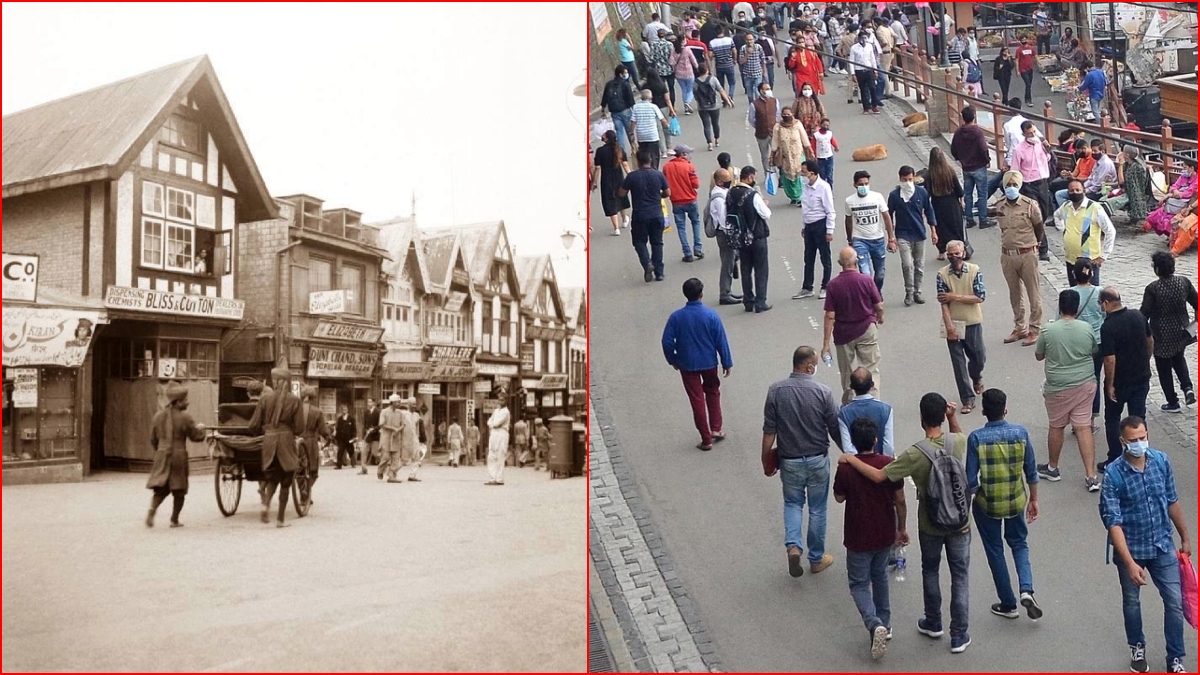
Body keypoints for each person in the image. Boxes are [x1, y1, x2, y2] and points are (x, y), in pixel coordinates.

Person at [839, 393, 971, 653]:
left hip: (931, 523)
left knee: (931, 571)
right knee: (961, 576)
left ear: (921, 418)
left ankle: (933, 621)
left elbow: (878, 476)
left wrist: (851, 458)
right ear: (943, 415)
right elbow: (957, 435)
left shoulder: (915, 453)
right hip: (960, 522)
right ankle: (959, 634)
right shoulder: (957, 441)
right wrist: (953, 418)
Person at [1099, 416, 1191, 675]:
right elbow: (1113, 523)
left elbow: (1172, 501)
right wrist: (1129, 563)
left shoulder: (1161, 461)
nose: (1139, 444)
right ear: (1122, 441)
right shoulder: (1114, 475)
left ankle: (1175, 657)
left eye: (1142, 438)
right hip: (1132, 549)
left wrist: (1184, 536)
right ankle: (1137, 647)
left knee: (1174, 601)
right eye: (1133, 440)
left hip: (1162, 544)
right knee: (1131, 601)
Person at [762, 346, 843, 578]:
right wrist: (849, 455)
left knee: (792, 504)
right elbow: (835, 428)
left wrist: (765, 458)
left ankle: (794, 546)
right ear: (809, 367)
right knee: (817, 509)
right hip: (818, 459)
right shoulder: (823, 392)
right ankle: (816, 558)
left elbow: (769, 431)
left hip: (790, 461)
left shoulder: (775, 391)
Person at [966, 389, 1043, 621]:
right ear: (1005, 410)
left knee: (995, 550)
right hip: (1015, 500)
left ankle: (1008, 603)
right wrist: (1034, 499)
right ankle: (1026, 589)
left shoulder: (976, 438)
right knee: (1019, 544)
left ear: (983, 412)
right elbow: (1031, 470)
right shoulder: (1020, 433)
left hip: (987, 504)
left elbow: (970, 480)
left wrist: (980, 493)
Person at [833, 416, 906, 660]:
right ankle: (886, 624)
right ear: (876, 439)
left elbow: (839, 498)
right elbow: (900, 500)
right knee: (880, 577)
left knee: (858, 584)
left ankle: (874, 624)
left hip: (857, 535)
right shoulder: (888, 463)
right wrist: (901, 527)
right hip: (884, 532)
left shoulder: (846, 468)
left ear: (853, 441)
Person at [1035, 289, 1101, 490]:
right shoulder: (1087, 328)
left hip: (1058, 386)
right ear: (1077, 307)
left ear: (1060, 307)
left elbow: (1039, 355)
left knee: (1056, 426)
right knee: (1083, 427)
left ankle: (1053, 467)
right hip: (1085, 383)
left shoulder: (1048, 330)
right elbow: (1093, 350)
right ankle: (1091, 476)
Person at [663, 278, 734, 451]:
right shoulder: (711, 315)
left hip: (687, 364)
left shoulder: (676, 317)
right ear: (701, 294)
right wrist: (726, 362)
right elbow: (721, 341)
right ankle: (716, 428)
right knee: (713, 392)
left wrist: (673, 359)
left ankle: (706, 438)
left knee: (697, 400)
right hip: (709, 362)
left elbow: (666, 341)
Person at [1098, 287, 1152, 473]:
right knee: (1139, 418)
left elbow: (1110, 359)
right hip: (1141, 377)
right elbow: (1150, 340)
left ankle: (1114, 457)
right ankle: (1142, 455)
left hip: (1121, 381)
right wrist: (1146, 359)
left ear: (1105, 303)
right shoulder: (1138, 316)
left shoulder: (1108, 326)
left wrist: (1110, 383)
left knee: (1113, 418)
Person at [822, 247, 884, 404]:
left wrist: (825, 344)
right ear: (857, 262)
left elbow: (830, 315)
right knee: (871, 369)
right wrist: (880, 317)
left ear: (839, 263)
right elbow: (878, 305)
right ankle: (873, 403)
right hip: (866, 328)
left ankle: (850, 405)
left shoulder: (833, 285)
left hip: (843, 333)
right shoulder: (866, 280)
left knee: (847, 373)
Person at [1140, 252, 1198, 414]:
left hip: (1161, 335)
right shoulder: (1183, 282)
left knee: (1164, 368)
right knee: (1179, 358)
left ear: (1157, 269)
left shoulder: (1153, 288)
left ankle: (1172, 401)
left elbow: (1145, 312)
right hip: (1182, 332)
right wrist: (1195, 324)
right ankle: (1187, 388)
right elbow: (1196, 302)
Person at [144, 383, 206, 528]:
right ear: (177, 402)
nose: (187, 402)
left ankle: (152, 510)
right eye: (184, 400)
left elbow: (153, 439)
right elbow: (196, 436)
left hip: (162, 453)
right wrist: (201, 429)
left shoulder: (158, 416)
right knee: (179, 490)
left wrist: (160, 451)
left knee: (160, 489)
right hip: (178, 456)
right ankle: (174, 520)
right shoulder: (186, 417)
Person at [994, 170, 1045, 346]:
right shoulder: (1000, 205)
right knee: (1015, 294)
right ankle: (1019, 326)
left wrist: (1037, 243)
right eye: (1008, 185)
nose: (1011, 188)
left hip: (1027, 254)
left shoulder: (1030, 205)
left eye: (1015, 185)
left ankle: (1035, 329)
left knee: (1033, 293)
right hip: (1008, 255)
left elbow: (1039, 226)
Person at [937, 240, 988, 414]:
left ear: (963, 253)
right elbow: (943, 302)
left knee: (978, 358)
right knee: (958, 363)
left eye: (956, 254)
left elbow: (980, 297)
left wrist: (955, 297)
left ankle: (976, 377)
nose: (953, 257)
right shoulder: (942, 274)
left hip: (972, 321)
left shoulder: (974, 270)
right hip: (953, 322)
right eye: (950, 254)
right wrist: (949, 326)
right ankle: (967, 399)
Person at [248, 367, 302, 528]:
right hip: (286, 441)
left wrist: (265, 432)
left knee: (272, 477)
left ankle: (266, 504)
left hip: (269, 441)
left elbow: (253, 425)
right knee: (286, 481)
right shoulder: (294, 400)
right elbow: (300, 428)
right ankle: (280, 519)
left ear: (275, 381)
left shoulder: (264, 399)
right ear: (287, 382)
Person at [889, 165, 938, 306]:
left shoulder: (922, 193)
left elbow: (929, 211)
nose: (908, 182)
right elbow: (888, 215)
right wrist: (891, 237)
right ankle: (909, 291)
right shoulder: (894, 195)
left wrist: (933, 231)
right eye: (905, 180)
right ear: (900, 179)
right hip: (903, 234)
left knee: (919, 265)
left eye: (910, 179)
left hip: (919, 233)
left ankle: (918, 291)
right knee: (907, 264)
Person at [619, 148, 671, 283]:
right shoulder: (658, 175)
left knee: (639, 241)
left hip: (640, 215)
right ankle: (659, 273)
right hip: (656, 214)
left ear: (638, 161)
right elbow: (667, 193)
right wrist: (658, 195)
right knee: (657, 243)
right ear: (650, 160)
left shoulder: (632, 176)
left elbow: (621, 193)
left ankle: (647, 263)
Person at [728, 165, 774, 312]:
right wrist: (765, 204)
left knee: (745, 268)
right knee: (761, 269)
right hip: (756, 236)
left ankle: (748, 300)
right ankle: (760, 302)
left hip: (740, 237)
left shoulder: (730, 193)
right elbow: (766, 214)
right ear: (750, 177)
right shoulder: (752, 194)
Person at [1054, 179, 1116, 286]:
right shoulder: (1066, 207)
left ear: (1084, 191)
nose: (1075, 193)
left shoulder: (1095, 208)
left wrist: (1104, 256)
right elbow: (1056, 216)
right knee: (1074, 293)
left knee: (1091, 294)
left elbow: (1110, 231)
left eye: (1078, 190)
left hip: (1089, 261)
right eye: (1072, 190)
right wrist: (1064, 230)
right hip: (1071, 260)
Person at [845, 171, 896, 292]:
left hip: (877, 239)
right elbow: (848, 220)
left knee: (880, 273)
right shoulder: (849, 201)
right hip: (860, 240)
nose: (864, 186)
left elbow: (886, 217)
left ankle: (876, 294)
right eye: (861, 184)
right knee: (865, 273)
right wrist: (850, 240)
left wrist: (891, 239)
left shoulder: (877, 197)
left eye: (866, 183)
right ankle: (869, 297)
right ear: (855, 185)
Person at [794, 160, 836, 300]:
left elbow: (830, 211)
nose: (802, 174)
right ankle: (807, 287)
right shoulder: (805, 186)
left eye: (804, 172)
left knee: (825, 257)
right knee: (808, 257)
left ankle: (826, 286)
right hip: (809, 226)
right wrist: (803, 226)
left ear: (812, 174)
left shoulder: (823, 188)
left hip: (821, 225)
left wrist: (829, 230)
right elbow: (805, 208)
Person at [1010, 121, 1053, 251]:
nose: (1033, 134)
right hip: (1029, 184)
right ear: (1024, 134)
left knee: (1045, 212)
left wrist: (1047, 149)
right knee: (1037, 214)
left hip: (1043, 182)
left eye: (1034, 131)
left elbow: (1048, 158)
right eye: (1029, 133)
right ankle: (1043, 248)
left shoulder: (1040, 144)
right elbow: (1015, 169)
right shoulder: (1019, 150)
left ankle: (1035, 235)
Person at [950, 106, 995, 232]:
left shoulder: (959, 132)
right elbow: (983, 148)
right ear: (974, 117)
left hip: (966, 167)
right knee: (982, 194)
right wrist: (987, 160)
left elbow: (953, 148)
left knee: (967, 193)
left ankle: (969, 219)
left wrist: (959, 158)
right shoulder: (977, 132)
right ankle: (983, 219)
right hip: (979, 166)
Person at [837, 368, 894, 457]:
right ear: (872, 384)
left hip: (856, 465)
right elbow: (888, 446)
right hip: (880, 465)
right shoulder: (886, 409)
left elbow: (848, 449)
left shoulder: (844, 413)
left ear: (851, 386)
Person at [664, 144, 704, 262]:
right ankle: (697, 248)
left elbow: (664, 184)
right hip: (691, 200)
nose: (689, 156)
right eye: (687, 153)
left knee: (681, 227)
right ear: (682, 154)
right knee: (695, 223)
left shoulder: (667, 167)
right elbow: (696, 185)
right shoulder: (689, 167)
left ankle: (687, 253)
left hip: (676, 201)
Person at [708, 168, 742, 306]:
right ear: (720, 181)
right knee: (727, 264)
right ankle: (725, 294)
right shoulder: (719, 198)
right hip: (725, 233)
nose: (730, 181)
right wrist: (732, 233)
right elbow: (724, 220)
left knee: (732, 259)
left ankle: (727, 290)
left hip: (725, 233)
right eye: (727, 179)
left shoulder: (722, 192)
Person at [592, 130, 631, 236]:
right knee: (621, 197)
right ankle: (624, 219)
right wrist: (631, 176)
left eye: (604, 135)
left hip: (606, 178)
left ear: (607, 138)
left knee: (610, 200)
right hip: (618, 177)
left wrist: (594, 182)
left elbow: (597, 168)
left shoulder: (600, 151)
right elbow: (625, 164)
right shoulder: (619, 149)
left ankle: (616, 228)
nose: (602, 136)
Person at [1145, 161, 1198, 238]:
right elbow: (1174, 186)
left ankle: (1173, 237)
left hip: (1186, 204)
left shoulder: (1197, 180)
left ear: (1192, 168)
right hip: (1175, 201)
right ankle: (1171, 237)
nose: (1183, 169)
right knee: (1155, 216)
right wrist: (1174, 191)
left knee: (1168, 220)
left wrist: (1174, 195)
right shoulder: (1183, 176)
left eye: (1185, 167)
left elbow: (1189, 193)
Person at [771, 106, 811, 206]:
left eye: (788, 114)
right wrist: (772, 154)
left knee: (799, 175)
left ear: (792, 114)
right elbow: (775, 141)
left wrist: (809, 150)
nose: (787, 116)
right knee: (787, 178)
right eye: (784, 114)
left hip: (798, 155)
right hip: (785, 156)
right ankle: (793, 196)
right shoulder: (778, 127)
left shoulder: (797, 124)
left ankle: (800, 197)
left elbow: (804, 138)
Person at [295, 386, 330, 491]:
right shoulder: (317, 412)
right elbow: (323, 430)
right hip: (310, 443)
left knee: (300, 470)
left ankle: (302, 491)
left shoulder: (294, 410)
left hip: (296, 442)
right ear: (312, 397)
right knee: (313, 471)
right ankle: (307, 490)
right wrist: (328, 437)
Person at [749, 82, 782, 184]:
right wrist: (760, 127)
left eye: (769, 88)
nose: (768, 90)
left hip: (774, 134)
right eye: (766, 89)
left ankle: (778, 175)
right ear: (761, 91)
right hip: (761, 135)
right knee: (764, 156)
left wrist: (775, 127)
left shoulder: (775, 101)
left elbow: (777, 115)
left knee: (777, 155)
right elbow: (751, 119)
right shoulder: (754, 104)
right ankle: (768, 175)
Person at [694, 64, 733, 151]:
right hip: (714, 105)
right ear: (707, 70)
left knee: (706, 125)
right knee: (715, 123)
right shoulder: (713, 79)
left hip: (702, 107)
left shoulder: (696, 82)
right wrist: (728, 101)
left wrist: (699, 102)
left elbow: (695, 95)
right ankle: (717, 139)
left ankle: (709, 143)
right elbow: (721, 90)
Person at [601, 65, 637, 156]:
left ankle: (621, 152)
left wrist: (603, 110)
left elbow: (604, 97)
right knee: (630, 131)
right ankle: (634, 149)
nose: (626, 74)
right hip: (625, 110)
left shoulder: (609, 84)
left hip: (614, 111)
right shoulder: (625, 84)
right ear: (621, 74)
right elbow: (630, 98)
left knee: (619, 132)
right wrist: (634, 110)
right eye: (625, 73)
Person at [642, 71, 676, 162]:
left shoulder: (645, 86)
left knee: (658, 129)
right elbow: (667, 99)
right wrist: (672, 109)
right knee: (666, 127)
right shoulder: (661, 85)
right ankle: (669, 147)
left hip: (651, 109)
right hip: (663, 107)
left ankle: (663, 151)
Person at [1051, 140, 1097, 208]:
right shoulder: (1081, 159)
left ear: (1084, 148)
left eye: (1078, 152)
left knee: (1058, 188)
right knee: (1054, 184)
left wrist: (1075, 178)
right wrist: (1067, 174)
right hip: (1076, 180)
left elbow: (1090, 178)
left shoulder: (1093, 160)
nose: (1078, 154)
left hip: (1083, 184)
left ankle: (1066, 210)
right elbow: (1075, 173)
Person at [630, 89, 668, 170]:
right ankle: (654, 169)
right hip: (652, 135)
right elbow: (662, 119)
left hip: (641, 135)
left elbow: (633, 121)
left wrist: (632, 132)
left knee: (643, 153)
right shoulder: (653, 106)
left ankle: (644, 168)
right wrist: (668, 126)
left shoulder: (636, 107)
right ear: (650, 97)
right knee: (654, 154)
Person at [1117, 145, 1151, 230]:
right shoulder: (1134, 164)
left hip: (1135, 194)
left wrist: (1120, 164)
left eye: (1123, 152)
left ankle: (1139, 220)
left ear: (1127, 155)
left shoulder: (1135, 167)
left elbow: (1121, 181)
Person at [848, 30, 880, 114]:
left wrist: (875, 70)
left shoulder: (869, 46)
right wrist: (853, 74)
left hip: (869, 69)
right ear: (858, 38)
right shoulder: (854, 48)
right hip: (859, 70)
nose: (863, 39)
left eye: (865, 37)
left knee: (872, 88)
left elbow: (872, 58)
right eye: (862, 38)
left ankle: (874, 106)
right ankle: (866, 108)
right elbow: (851, 61)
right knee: (863, 89)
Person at [485, 388, 512, 486]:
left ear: (506, 401)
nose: (500, 401)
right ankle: (492, 478)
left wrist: (492, 424)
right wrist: (492, 424)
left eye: (502, 400)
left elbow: (496, 423)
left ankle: (499, 478)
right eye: (499, 400)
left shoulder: (506, 412)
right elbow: (489, 421)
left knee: (500, 455)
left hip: (502, 433)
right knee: (491, 456)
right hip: (494, 433)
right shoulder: (496, 411)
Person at [1082, 139, 1118, 204]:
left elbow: (1098, 185)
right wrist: (1083, 187)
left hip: (1102, 192)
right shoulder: (1098, 161)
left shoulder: (1106, 164)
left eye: (1095, 151)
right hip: (1093, 189)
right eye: (1092, 150)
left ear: (1102, 151)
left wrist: (1085, 191)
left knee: (1077, 198)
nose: (1093, 153)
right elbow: (1091, 178)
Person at [671, 34, 700, 114]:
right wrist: (697, 67)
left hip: (679, 74)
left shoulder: (674, 50)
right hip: (688, 72)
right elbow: (693, 60)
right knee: (690, 89)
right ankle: (688, 102)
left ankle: (686, 109)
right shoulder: (687, 49)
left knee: (684, 90)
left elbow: (671, 62)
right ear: (683, 40)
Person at [738, 31, 768, 106]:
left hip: (758, 73)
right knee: (750, 94)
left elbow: (763, 59)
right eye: (748, 40)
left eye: (751, 39)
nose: (749, 41)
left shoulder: (758, 47)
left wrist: (764, 71)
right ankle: (752, 107)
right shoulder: (743, 48)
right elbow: (741, 62)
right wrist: (747, 54)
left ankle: (759, 106)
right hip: (747, 74)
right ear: (745, 40)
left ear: (754, 40)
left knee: (757, 92)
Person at [790, 83, 825, 147]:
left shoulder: (816, 100)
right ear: (802, 90)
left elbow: (823, 113)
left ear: (812, 90)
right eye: (805, 89)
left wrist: (824, 125)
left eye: (808, 89)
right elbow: (792, 114)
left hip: (815, 128)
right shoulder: (798, 101)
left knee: (815, 146)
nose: (807, 91)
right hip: (802, 128)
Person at [709, 26, 739, 98]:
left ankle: (724, 98)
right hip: (729, 64)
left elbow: (710, 55)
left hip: (719, 66)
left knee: (721, 84)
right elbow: (734, 51)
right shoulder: (729, 40)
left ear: (715, 32)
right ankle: (730, 95)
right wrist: (734, 60)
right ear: (723, 31)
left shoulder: (712, 42)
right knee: (732, 82)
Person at [812, 117, 838, 186]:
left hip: (829, 157)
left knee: (829, 175)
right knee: (822, 175)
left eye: (827, 125)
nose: (826, 127)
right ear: (820, 125)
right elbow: (813, 146)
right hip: (820, 158)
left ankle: (830, 190)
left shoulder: (829, 133)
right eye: (824, 125)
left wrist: (836, 146)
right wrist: (813, 154)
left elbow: (832, 141)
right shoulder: (816, 135)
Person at [360, 396, 381, 473]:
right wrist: (364, 433)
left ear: (374, 403)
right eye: (368, 402)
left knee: (375, 453)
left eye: (370, 402)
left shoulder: (378, 412)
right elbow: (364, 424)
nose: (369, 403)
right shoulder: (366, 412)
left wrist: (374, 429)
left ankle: (386, 462)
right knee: (364, 452)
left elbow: (380, 424)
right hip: (367, 436)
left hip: (375, 436)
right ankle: (363, 469)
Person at [1015, 36, 1037, 107]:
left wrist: (1040, 63)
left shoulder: (1031, 48)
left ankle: (1026, 97)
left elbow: (1035, 56)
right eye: (1022, 40)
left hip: (1030, 69)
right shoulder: (1019, 50)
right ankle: (1028, 100)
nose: (1024, 41)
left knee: (1029, 85)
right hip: (1023, 69)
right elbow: (1017, 60)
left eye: (1025, 39)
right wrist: (1017, 70)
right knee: (1028, 84)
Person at [334, 405, 356, 470]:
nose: (344, 411)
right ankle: (339, 465)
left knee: (351, 450)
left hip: (349, 438)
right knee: (340, 451)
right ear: (341, 411)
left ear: (347, 410)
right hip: (342, 438)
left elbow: (354, 428)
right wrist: (337, 437)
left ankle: (353, 464)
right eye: (343, 410)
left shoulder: (351, 418)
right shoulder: (340, 419)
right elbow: (338, 428)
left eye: (345, 409)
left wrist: (354, 437)